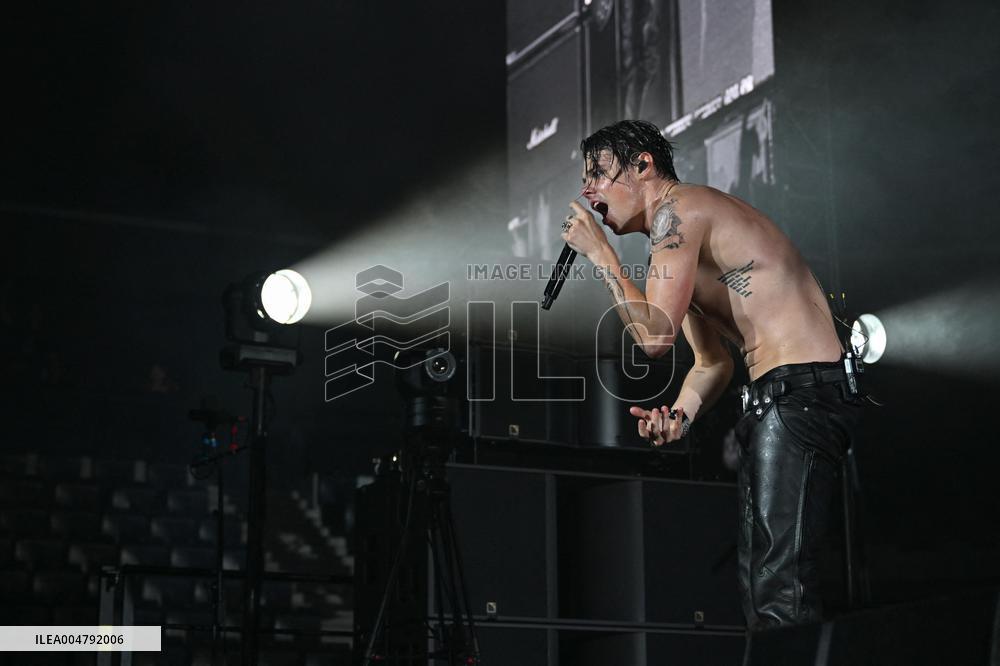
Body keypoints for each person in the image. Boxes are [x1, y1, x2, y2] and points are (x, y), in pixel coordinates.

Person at [561, 119, 864, 630]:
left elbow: (655, 339)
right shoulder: (681, 234)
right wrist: (678, 415)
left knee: (779, 587)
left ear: (643, 165)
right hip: (781, 397)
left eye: (598, 172)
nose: (587, 189)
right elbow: (712, 362)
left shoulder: (681, 210)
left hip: (799, 392)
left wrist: (604, 257)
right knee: (760, 585)